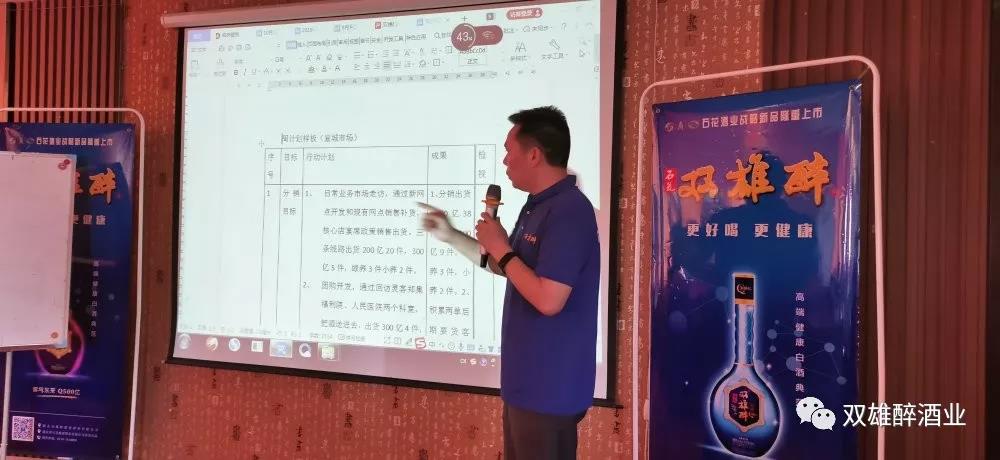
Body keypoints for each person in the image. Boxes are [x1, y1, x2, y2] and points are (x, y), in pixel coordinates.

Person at [419, 106, 600, 459]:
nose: (504, 160)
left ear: (534, 155)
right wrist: (451, 235)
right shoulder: (536, 206)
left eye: (508, 150)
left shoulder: (569, 210)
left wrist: (501, 247)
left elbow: (549, 299)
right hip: (526, 384)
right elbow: (509, 268)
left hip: (549, 389)